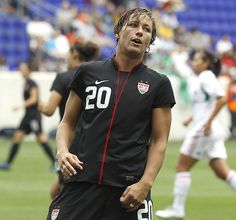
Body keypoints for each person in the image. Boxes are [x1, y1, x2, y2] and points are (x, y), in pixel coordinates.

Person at [46, 8, 175, 220]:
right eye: (133, 25)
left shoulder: (158, 84)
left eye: (146, 29)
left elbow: (159, 141)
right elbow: (67, 122)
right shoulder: (87, 72)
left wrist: (145, 183)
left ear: (150, 41)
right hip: (81, 183)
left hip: (128, 190)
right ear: (118, 31)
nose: (139, 32)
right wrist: (62, 151)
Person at [155, 50, 236, 219]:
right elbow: (206, 104)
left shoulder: (206, 77)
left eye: (198, 60)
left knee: (181, 167)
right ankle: (177, 208)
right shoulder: (201, 79)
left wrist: (206, 122)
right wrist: (191, 118)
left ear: (206, 63)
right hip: (210, 129)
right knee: (222, 172)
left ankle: (177, 209)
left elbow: (221, 99)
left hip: (204, 130)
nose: (194, 62)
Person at [38, 41, 99, 199]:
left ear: (75, 56)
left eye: (68, 57)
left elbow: (49, 109)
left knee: (60, 195)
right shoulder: (98, 77)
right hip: (95, 142)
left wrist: (37, 104)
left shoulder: (64, 78)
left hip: (70, 144)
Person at [0, 62, 55, 170]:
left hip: (33, 116)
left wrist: (20, 106)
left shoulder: (32, 83)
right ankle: (8, 163)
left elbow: (34, 99)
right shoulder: (26, 83)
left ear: (28, 70)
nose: (21, 70)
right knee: (17, 136)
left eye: (23, 68)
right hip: (27, 115)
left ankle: (55, 162)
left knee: (41, 139)